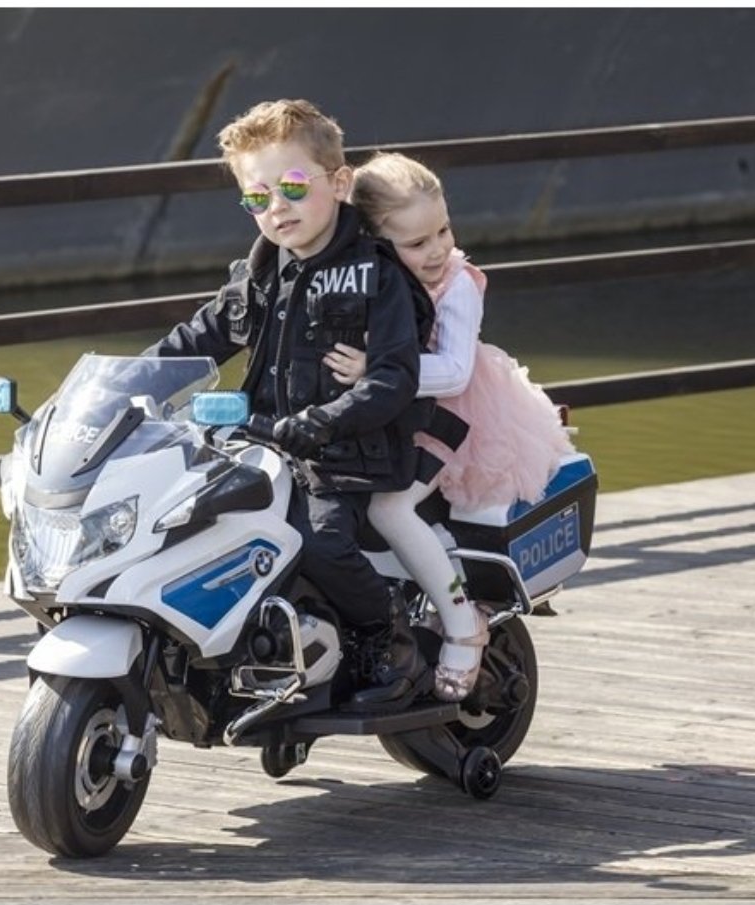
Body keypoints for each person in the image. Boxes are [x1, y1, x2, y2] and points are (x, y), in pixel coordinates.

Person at [143, 100, 433, 712]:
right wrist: (128, 382)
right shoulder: (259, 274)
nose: (276, 208)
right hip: (258, 447)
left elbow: (393, 380)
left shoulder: (373, 275)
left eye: (294, 187)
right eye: (257, 197)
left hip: (345, 456)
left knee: (319, 540)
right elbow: (196, 339)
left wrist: (318, 423)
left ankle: (388, 639)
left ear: (339, 182)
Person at [325, 152, 574, 701]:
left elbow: (456, 370)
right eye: (418, 243)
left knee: (389, 507)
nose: (438, 249)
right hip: (389, 413)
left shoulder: (456, 285)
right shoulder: (364, 279)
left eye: (442, 230)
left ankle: (463, 622)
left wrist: (379, 370)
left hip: (451, 416)